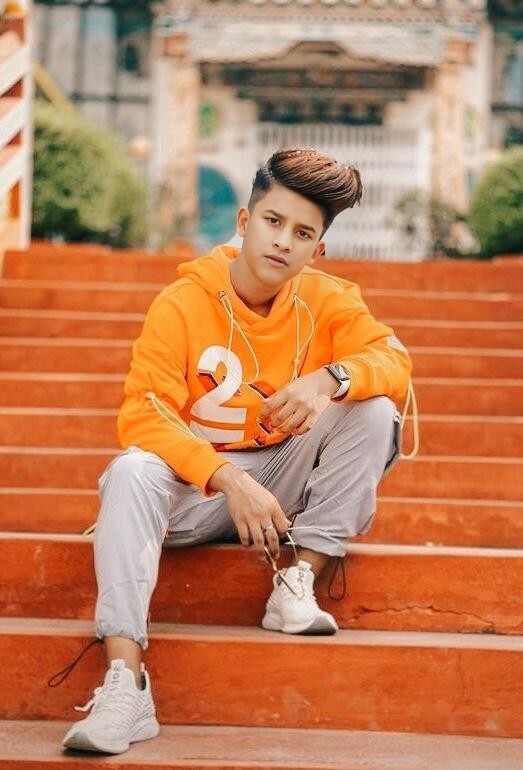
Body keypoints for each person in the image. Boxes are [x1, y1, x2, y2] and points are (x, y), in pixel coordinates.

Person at [63, 147, 412, 755]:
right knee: (131, 470)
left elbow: (394, 362)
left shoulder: (330, 300)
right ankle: (126, 684)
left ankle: (298, 582)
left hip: (280, 485)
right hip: (192, 495)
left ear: (317, 250)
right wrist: (226, 477)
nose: (283, 241)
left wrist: (330, 378)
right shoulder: (183, 301)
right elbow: (144, 412)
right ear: (246, 221)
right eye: (273, 221)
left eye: (302, 233)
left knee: (375, 407)